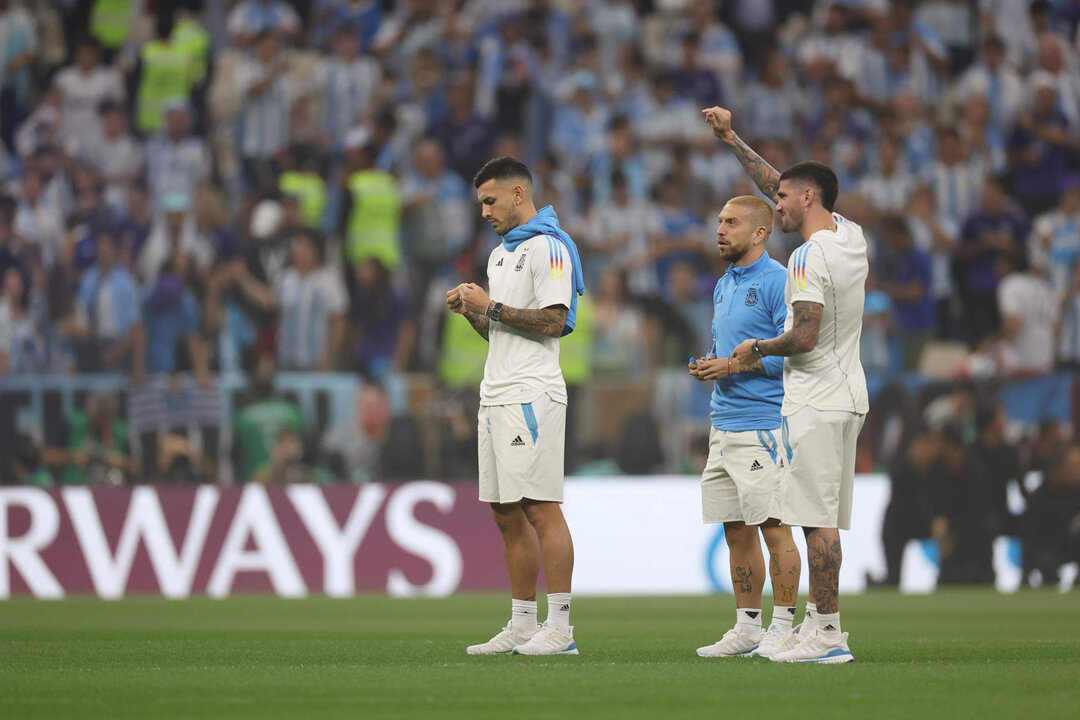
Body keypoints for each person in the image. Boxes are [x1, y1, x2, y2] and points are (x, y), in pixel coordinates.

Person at [707, 105, 869, 664]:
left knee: (815, 522)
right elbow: (782, 182)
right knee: (817, 516)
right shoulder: (851, 237)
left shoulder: (803, 258)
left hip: (815, 398)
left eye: (783, 199)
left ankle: (827, 633)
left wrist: (754, 349)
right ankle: (815, 626)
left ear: (808, 200)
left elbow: (802, 336)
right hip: (848, 393)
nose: (775, 204)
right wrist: (732, 138)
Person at [445, 156, 585, 656]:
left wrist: (492, 306)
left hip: (532, 393)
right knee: (506, 513)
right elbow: (500, 330)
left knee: (541, 507)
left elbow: (555, 322)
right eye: (480, 203)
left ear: (518, 195)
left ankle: (561, 628)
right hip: (496, 391)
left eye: (490, 201)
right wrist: (473, 314)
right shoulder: (501, 255)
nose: (484, 212)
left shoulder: (548, 247)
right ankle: (523, 623)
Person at [688, 195, 802, 659]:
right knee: (735, 529)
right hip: (723, 422)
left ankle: (786, 626)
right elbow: (734, 350)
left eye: (731, 223)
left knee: (774, 527)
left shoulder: (779, 282)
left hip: (762, 425)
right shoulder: (724, 283)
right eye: (718, 221)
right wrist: (712, 367)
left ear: (759, 233)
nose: (720, 229)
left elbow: (794, 355)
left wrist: (732, 370)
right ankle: (748, 627)